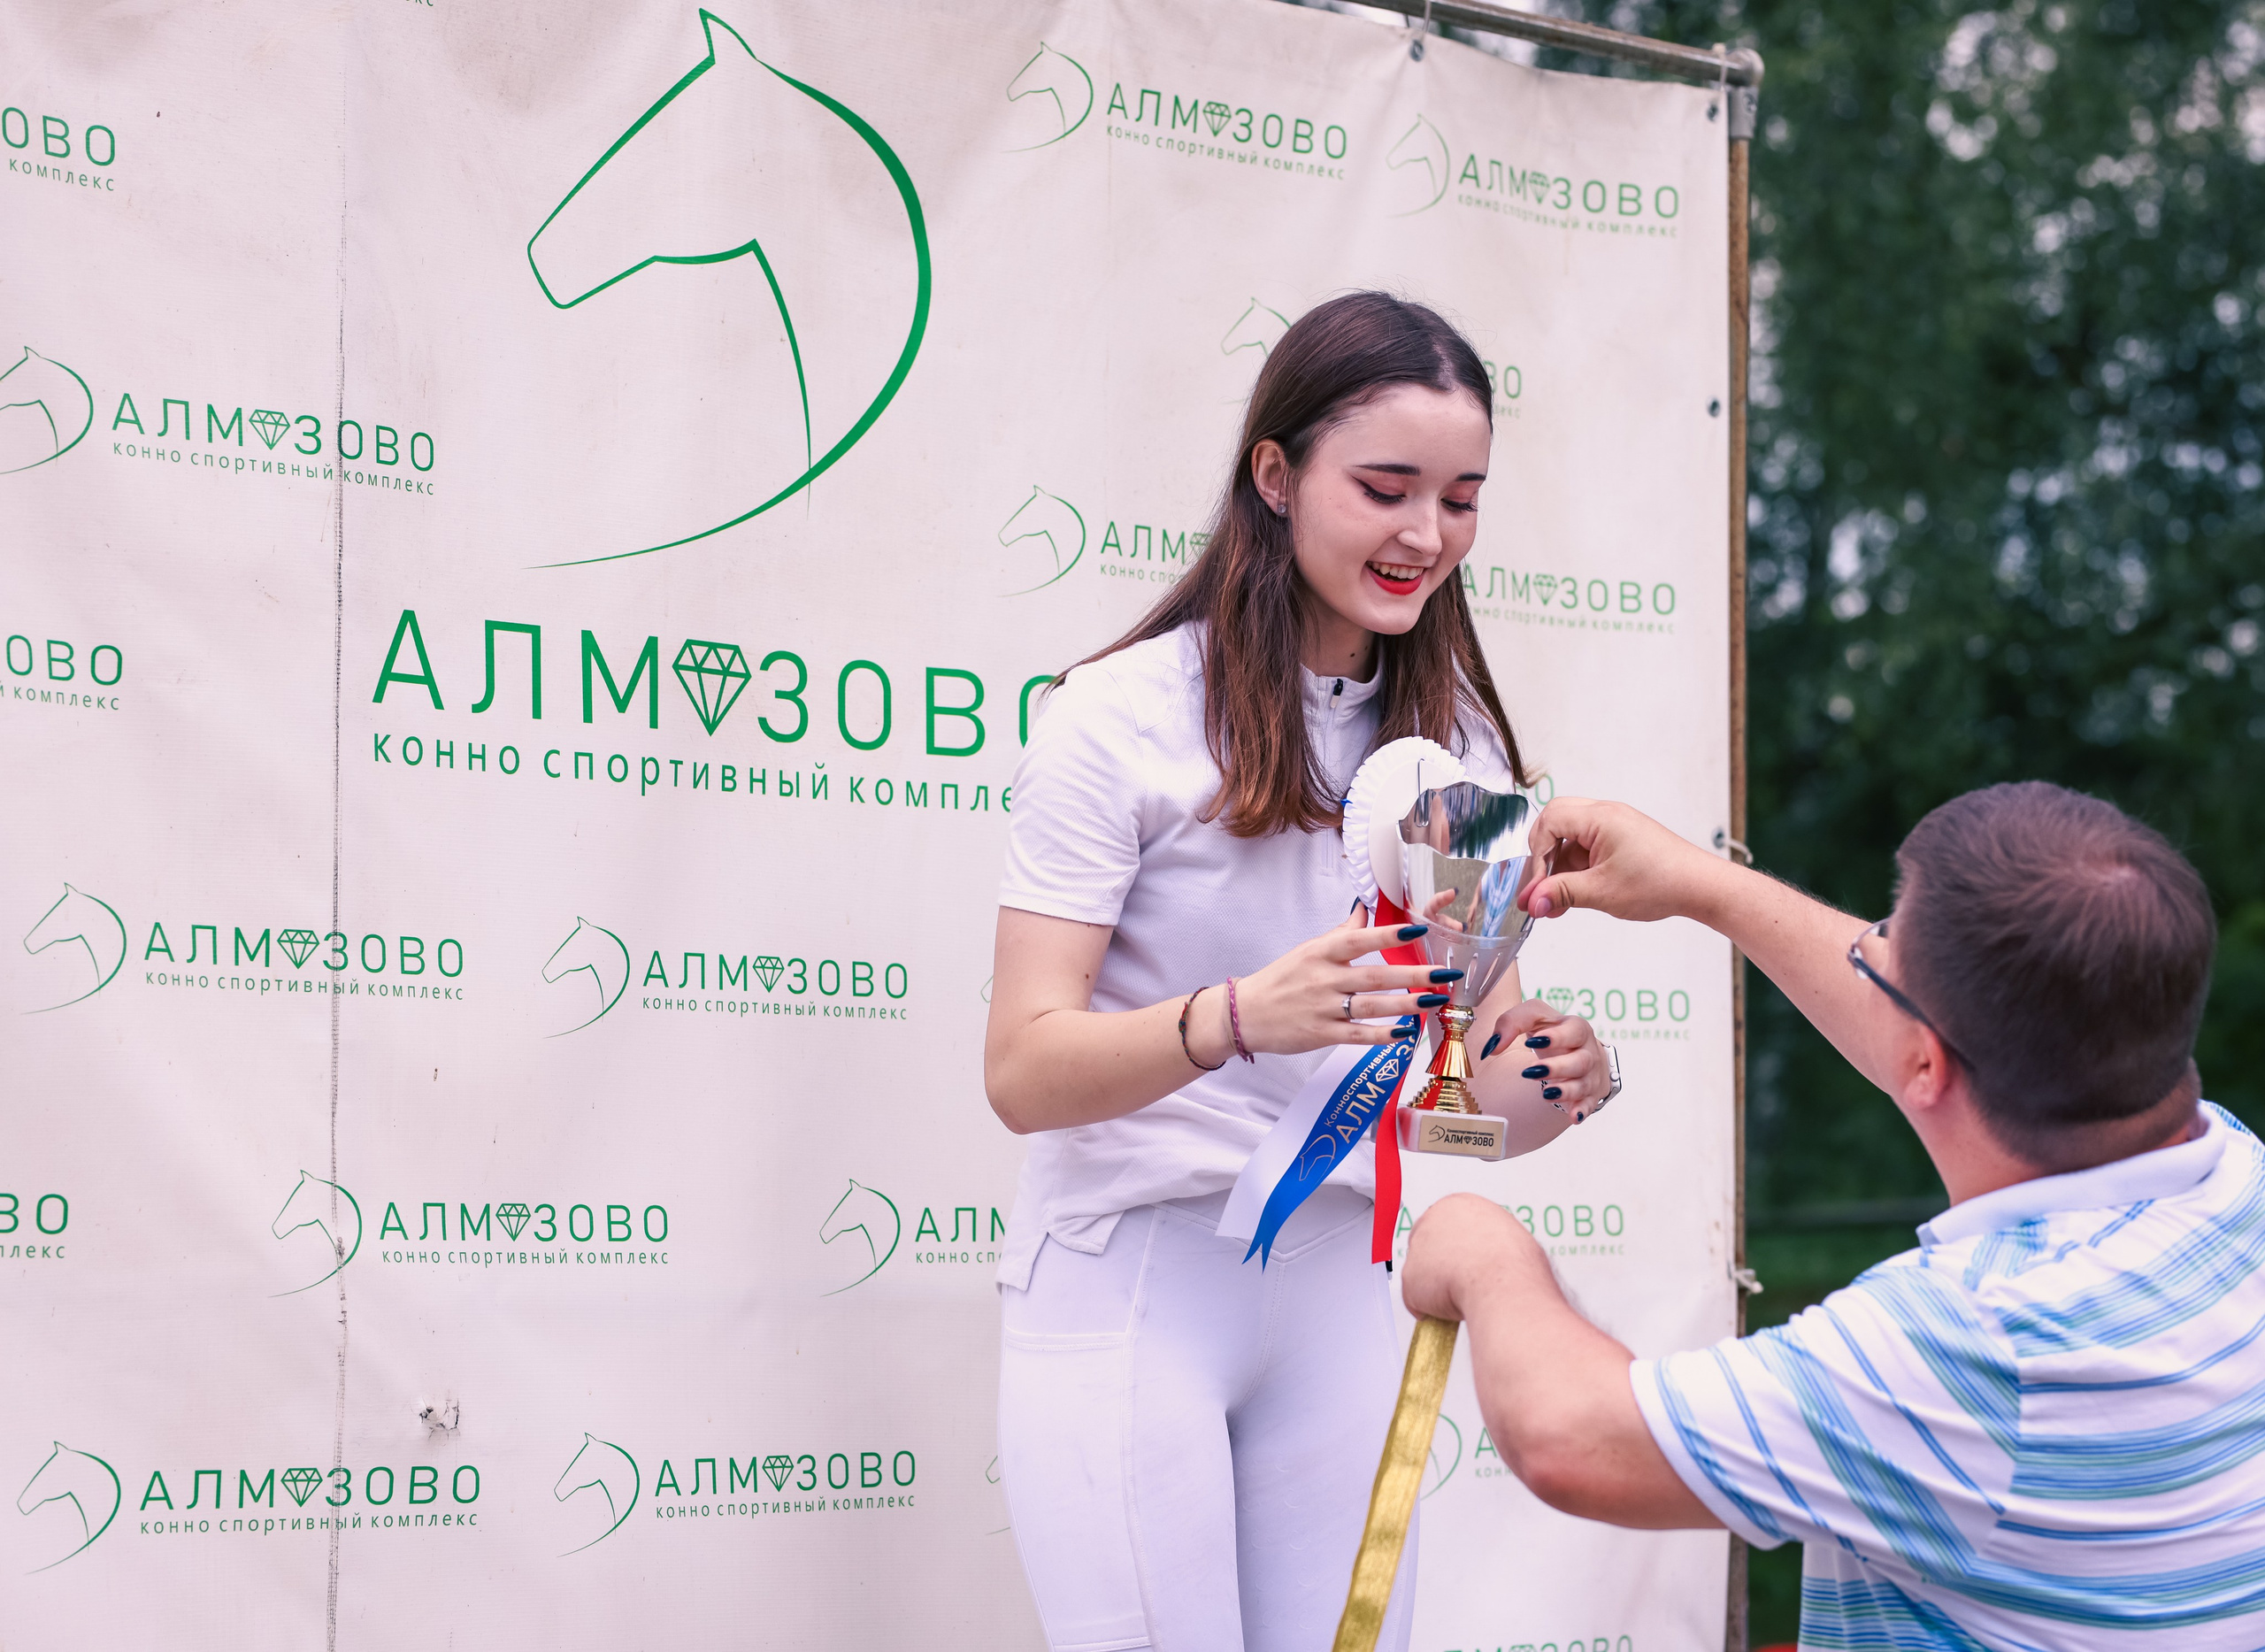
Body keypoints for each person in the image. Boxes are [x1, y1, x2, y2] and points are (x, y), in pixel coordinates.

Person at [983, 291, 1617, 1652]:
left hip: (1342, 1285)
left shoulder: (1463, 751)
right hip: (1129, 1275)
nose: (1425, 534)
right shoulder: (1117, 717)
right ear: (1274, 474)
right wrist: (1234, 1018)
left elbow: (1463, 1113)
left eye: (1461, 499)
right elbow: (1024, 1070)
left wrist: (1553, 1078)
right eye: (1385, 489)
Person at [1402, 780, 2265, 1648]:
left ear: (1925, 1063)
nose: (1862, 952)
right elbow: (1961, 1025)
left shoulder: (1969, 1345)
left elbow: (1573, 1437)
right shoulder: (2235, 1176)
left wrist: (1488, 1258)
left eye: (1880, 943)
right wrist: (1700, 883)